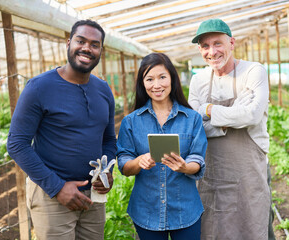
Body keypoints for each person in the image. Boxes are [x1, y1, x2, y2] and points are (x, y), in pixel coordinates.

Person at [7, 19, 116, 240]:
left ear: (100, 51)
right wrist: (57, 187)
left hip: (93, 197)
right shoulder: (39, 88)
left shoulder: (103, 90)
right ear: (68, 43)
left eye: (94, 44)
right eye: (81, 41)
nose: (87, 48)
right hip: (52, 197)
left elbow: (109, 140)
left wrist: (106, 171)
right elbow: (16, 144)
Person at [188, 18, 274, 240]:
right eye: (205, 46)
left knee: (254, 228)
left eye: (218, 43)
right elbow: (192, 124)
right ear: (200, 50)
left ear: (232, 43)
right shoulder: (198, 81)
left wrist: (206, 109)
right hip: (211, 178)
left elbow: (252, 115)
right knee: (212, 230)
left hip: (249, 176)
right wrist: (230, 119)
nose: (212, 51)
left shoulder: (253, 71)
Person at [116, 52, 207, 240]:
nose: (156, 85)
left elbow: (197, 157)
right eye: (149, 79)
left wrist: (184, 167)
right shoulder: (130, 122)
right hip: (146, 210)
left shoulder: (192, 119)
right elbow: (124, 163)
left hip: (185, 209)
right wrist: (138, 162)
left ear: (172, 79)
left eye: (162, 77)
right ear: (142, 83)